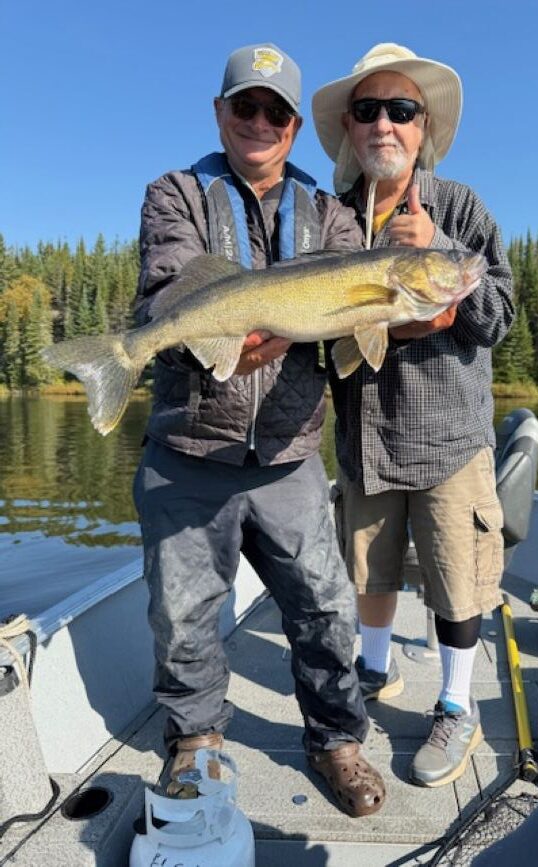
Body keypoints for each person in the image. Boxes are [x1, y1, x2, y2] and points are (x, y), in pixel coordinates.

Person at [132, 43, 385, 818]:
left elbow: (354, 323)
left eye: (277, 111)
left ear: (295, 126)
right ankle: (196, 739)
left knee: (325, 606)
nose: (261, 122)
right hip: (188, 448)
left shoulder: (333, 214)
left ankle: (337, 737)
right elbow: (172, 283)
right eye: (246, 105)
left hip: (287, 454)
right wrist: (225, 344)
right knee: (183, 613)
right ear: (221, 112)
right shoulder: (175, 192)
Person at [312, 43, 515, 787]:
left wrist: (440, 248)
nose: (385, 124)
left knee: (455, 578)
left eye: (402, 110)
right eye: (368, 110)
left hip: (451, 441)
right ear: (350, 130)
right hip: (364, 438)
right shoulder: (330, 221)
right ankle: (374, 668)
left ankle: (457, 703)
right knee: (368, 567)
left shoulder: (460, 207)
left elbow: (498, 313)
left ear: (423, 128)